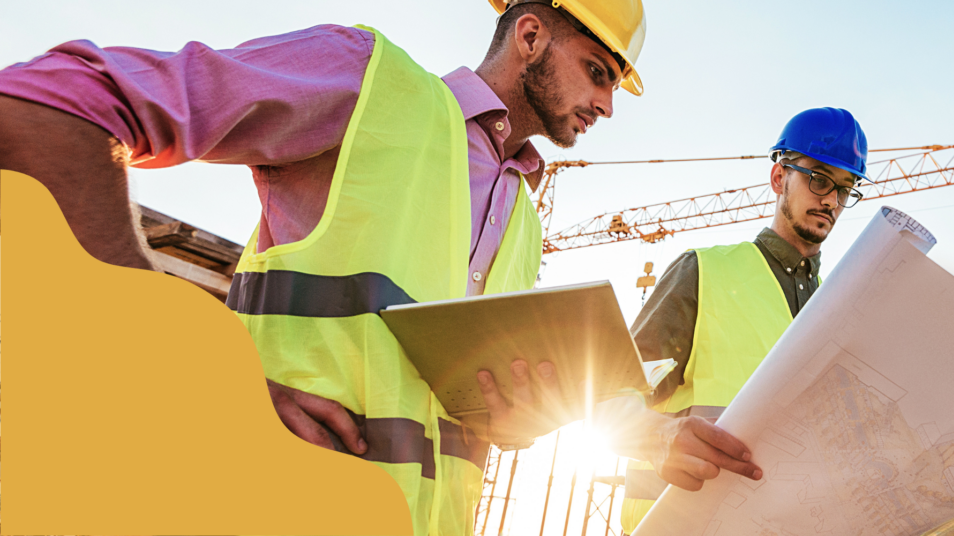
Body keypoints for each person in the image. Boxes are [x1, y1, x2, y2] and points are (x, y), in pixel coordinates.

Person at [0, 1, 755, 533]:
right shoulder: (367, 84)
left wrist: (519, 421)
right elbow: (52, 105)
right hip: (263, 507)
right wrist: (197, 370)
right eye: (597, 71)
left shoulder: (523, 220)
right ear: (530, 35)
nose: (605, 104)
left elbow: (437, 401)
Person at [616, 107, 869, 534]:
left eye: (845, 189)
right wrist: (659, 437)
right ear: (778, 178)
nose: (831, 200)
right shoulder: (702, 272)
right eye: (820, 179)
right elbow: (605, 398)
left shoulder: (839, 309)